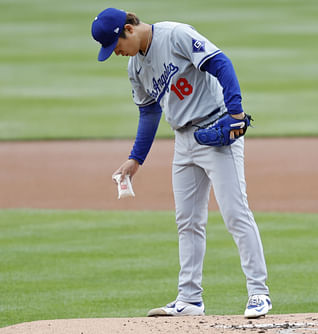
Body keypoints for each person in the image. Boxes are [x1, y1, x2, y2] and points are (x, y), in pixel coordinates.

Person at [91, 8, 271, 318]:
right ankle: (189, 300)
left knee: (235, 213)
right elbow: (148, 112)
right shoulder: (136, 68)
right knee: (187, 221)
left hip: (216, 132)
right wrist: (136, 159)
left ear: (129, 30)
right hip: (184, 142)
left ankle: (259, 292)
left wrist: (236, 112)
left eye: (115, 45)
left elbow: (220, 62)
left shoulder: (175, 35)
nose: (116, 53)